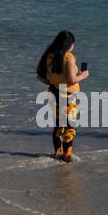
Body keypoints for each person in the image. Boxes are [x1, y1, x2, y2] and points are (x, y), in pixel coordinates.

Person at [35, 30, 87, 162]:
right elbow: (71, 80)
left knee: (58, 124)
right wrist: (83, 75)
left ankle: (57, 153)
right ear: (69, 45)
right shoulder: (69, 57)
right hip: (68, 96)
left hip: (54, 92)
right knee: (70, 126)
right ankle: (67, 156)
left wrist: (53, 82)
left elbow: (40, 77)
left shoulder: (49, 56)